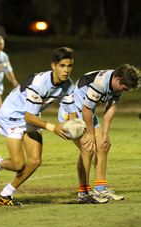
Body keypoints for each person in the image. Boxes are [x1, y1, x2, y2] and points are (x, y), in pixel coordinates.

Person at [0, 47, 77, 206]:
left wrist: (78, 129)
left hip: (32, 116)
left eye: (69, 66)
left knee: (34, 160)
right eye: (62, 65)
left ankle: (5, 195)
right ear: (53, 66)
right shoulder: (40, 83)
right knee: (18, 164)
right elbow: (28, 116)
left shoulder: (68, 85)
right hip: (13, 116)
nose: (66, 70)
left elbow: (72, 111)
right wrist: (53, 127)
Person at [58, 64, 141, 203]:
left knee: (103, 145)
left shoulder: (117, 84)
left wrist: (105, 134)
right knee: (88, 147)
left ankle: (100, 190)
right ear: (118, 79)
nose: (125, 90)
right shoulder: (100, 83)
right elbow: (86, 109)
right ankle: (84, 193)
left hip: (86, 112)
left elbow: (110, 107)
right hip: (72, 113)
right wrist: (90, 134)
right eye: (124, 88)